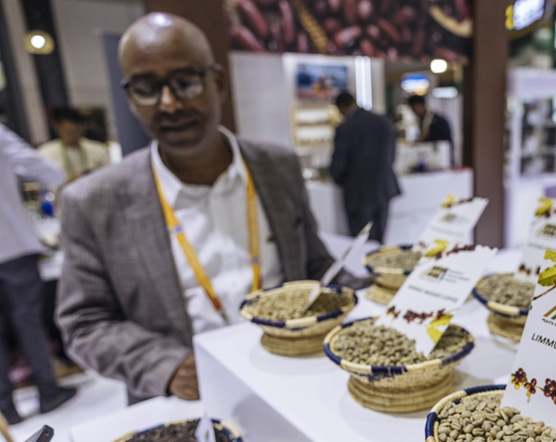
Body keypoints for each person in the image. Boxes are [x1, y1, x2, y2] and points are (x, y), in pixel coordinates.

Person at [57, 13, 359, 404]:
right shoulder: (93, 202)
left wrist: (384, 288)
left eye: (185, 82)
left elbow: (314, 266)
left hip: (296, 380)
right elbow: (84, 323)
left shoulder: (278, 166)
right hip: (185, 404)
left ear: (217, 83)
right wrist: (166, 366)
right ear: (131, 99)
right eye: (147, 88)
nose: (169, 103)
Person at [0, 124, 77, 424]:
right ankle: (48, 391)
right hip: (12, 243)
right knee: (28, 320)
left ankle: (6, 406)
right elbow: (47, 170)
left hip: (13, 243)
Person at [330, 92, 400, 243]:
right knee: (379, 241)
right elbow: (393, 155)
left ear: (341, 108)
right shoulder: (383, 121)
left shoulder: (346, 128)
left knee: (360, 245)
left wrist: (340, 180)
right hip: (383, 189)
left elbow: (338, 165)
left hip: (358, 193)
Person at [37, 107, 110, 182]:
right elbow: (44, 183)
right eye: (69, 131)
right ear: (58, 128)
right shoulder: (45, 153)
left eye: (76, 130)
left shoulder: (98, 149)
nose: (73, 135)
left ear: (83, 128)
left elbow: (108, 176)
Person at [407, 95, 454, 166]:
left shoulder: (438, 121)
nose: (415, 113)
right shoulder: (421, 121)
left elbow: (445, 143)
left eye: (415, 109)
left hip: (441, 159)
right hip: (429, 160)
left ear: (422, 105)